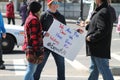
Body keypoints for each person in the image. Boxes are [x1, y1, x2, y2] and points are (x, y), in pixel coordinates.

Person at [34, 0, 66, 80]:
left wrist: (76, 32)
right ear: (49, 4)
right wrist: (44, 33)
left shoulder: (61, 16)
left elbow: (65, 31)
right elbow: (37, 29)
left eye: (57, 3)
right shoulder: (43, 15)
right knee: (39, 66)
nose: (55, 5)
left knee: (61, 66)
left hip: (57, 46)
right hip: (45, 46)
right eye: (54, 3)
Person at [85, 0, 116, 80]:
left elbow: (102, 30)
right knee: (94, 70)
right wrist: (87, 26)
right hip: (96, 48)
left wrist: (91, 37)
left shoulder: (103, 11)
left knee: (104, 71)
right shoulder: (101, 10)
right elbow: (97, 25)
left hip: (99, 48)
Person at [23, 1, 43, 80]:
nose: (41, 11)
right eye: (40, 9)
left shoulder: (30, 17)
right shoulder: (34, 19)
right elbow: (34, 36)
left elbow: (34, 33)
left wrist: (43, 33)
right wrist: (37, 49)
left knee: (31, 70)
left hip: (29, 47)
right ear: (37, 9)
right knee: (31, 70)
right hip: (33, 48)